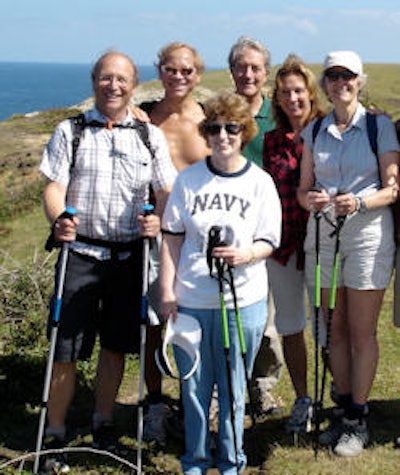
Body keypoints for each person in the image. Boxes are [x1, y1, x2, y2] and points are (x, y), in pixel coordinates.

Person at [39, 50, 176, 471]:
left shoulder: (149, 136)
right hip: (79, 253)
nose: (113, 86)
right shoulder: (71, 131)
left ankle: (103, 425)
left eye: (121, 79)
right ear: (94, 81)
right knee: (66, 348)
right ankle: (55, 433)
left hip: (130, 257)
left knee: (116, 346)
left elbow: (166, 190)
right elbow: (53, 187)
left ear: (134, 86)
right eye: (105, 78)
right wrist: (59, 217)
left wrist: (160, 220)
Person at [159, 91, 282, 475]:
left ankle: (232, 461)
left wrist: (246, 254)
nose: (223, 136)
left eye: (231, 127)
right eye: (213, 128)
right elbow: (172, 236)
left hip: (243, 300)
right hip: (192, 300)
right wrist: (166, 291)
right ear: (206, 134)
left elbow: (269, 240)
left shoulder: (260, 183)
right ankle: (195, 461)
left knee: (233, 386)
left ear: (244, 132)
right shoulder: (188, 180)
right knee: (194, 388)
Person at [297, 50, 400, 457]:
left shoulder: (379, 127)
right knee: (331, 328)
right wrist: (314, 201)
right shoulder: (315, 129)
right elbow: (303, 190)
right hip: (322, 235)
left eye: (348, 76)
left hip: (367, 237)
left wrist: (358, 203)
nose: (341, 83)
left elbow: (394, 188)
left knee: (360, 332)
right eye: (333, 76)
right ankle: (342, 408)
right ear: (324, 83)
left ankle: (358, 416)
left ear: (360, 80)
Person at [137, 41, 210, 446]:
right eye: (170, 69)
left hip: (199, 239)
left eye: (186, 70)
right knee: (153, 323)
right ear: (159, 71)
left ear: (197, 74)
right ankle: (153, 405)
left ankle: (194, 400)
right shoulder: (144, 117)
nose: (178, 76)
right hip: (155, 236)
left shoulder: (208, 120)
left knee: (196, 321)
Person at [262, 54, 327, 434]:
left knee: (328, 327)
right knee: (290, 325)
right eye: (285, 92)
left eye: (298, 90)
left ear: (310, 92)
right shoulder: (270, 141)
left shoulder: (328, 132)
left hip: (323, 246)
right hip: (284, 246)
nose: (293, 98)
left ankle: (339, 394)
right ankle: (303, 399)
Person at [228, 35, 284, 417]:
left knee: (267, 321)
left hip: (269, 231)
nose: (248, 74)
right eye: (241, 67)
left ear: (266, 73)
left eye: (255, 67)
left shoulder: (278, 115)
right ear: (232, 70)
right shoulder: (217, 112)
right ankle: (223, 387)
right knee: (225, 317)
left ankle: (263, 389)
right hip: (226, 231)